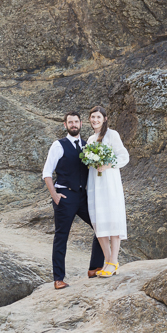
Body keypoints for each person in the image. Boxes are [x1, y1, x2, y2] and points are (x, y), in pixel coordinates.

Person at [42, 111, 105, 290]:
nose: (73, 125)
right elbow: (47, 172)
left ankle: (94, 267)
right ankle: (58, 278)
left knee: (100, 226)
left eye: (76, 122)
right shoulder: (58, 145)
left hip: (82, 196)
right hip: (65, 196)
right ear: (65, 125)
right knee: (61, 236)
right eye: (70, 122)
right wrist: (54, 195)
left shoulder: (87, 146)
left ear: (81, 123)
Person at [86, 105, 129, 277]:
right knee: (99, 222)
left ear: (104, 119)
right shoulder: (90, 140)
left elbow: (124, 156)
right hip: (95, 184)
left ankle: (114, 261)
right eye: (92, 117)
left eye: (98, 117)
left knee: (112, 220)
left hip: (110, 183)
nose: (95, 120)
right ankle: (108, 261)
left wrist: (108, 164)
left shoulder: (112, 135)